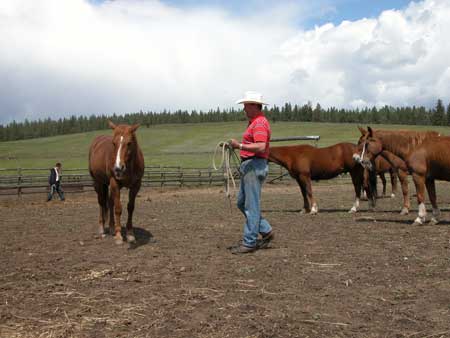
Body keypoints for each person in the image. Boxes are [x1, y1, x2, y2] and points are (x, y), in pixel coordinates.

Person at [228, 91, 274, 254]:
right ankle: (266, 230)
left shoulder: (259, 123)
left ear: (254, 105)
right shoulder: (255, 122)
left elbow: (261, 146)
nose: (244, 109)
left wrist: (239, 146)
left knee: (250, 204)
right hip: (251, 166)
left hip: (254, 165)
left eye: (246, 105)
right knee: (242, 202)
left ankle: (249, 242)